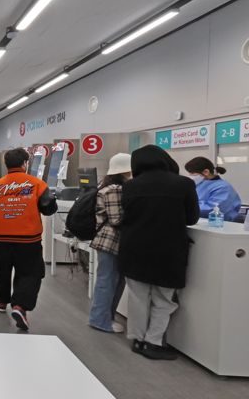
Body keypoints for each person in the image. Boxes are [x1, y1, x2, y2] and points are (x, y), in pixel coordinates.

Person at [119, 145, 199, 360]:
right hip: (168, 249)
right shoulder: (184, 184)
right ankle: (153, 342)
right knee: (164, 299)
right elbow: (192, 218)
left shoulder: (130, 186)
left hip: (134, 248)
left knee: (137, 297)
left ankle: (137, 339)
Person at [0, 148, 57, 331]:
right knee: (30, 273)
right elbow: (49, 208)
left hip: (0, 238)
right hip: (28, 240)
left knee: (1, 269)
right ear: (25, 163)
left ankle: (1, 301)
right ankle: (20, 306)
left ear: (6, 164)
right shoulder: (38, 184)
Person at [88, 153, 131, 334]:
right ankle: (101, 320)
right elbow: (116, 219)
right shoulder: (114, 189)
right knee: (108, 281)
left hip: (108, 240)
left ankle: (105, 318)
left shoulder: (107, 187)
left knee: (112, 280)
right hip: (111, 240)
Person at [184, 157, 242, 222]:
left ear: (206, 172)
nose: (189, 175)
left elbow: (213, 209)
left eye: (192, 173)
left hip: (219, 224)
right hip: (199, 221)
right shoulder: (199, 184)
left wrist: (186, 207)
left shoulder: (223, 187)